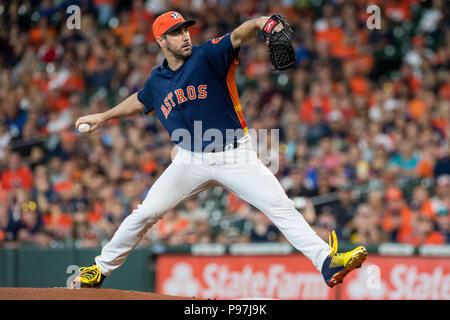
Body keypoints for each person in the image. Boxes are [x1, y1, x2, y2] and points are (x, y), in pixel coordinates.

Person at [72, 11, 367, 289]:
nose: (185, 36)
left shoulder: (207, 55)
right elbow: (140, 99)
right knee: (145, 213)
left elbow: (239, 34)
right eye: (175, 33)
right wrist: (104, 116)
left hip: (234, 153)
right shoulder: (156, 80)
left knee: (281, 207)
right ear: (161, 41)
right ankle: (100, 269)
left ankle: (326, 261)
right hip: (189, 159)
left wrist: (263, 22)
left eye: (185, 29)